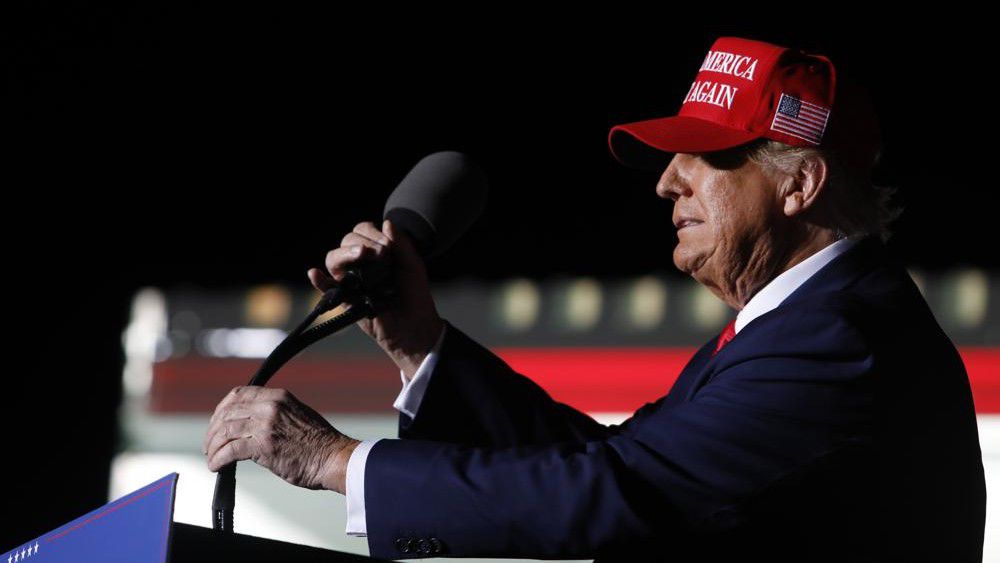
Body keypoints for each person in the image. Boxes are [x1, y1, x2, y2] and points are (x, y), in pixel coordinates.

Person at [202, 36, 987, 561]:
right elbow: (606, 464)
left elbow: (613, 490)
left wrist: (337, 461)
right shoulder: (808, 322)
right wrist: (419, 341)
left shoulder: (841, 340)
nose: (666, 181)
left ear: (801, 184)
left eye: (705, 156)